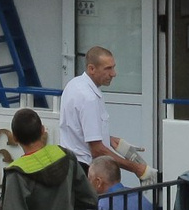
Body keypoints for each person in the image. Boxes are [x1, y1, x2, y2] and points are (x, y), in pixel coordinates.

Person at [57, 46, 148, 178]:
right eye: (108, 68)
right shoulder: (89, 98)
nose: (113, 74)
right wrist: (136, 168)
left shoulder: (74, 84)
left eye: (113, 67)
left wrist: (108, 139)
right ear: (91, 69)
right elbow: (97, 150)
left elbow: (78, 129)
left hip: (69, 164)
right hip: (85, 169)